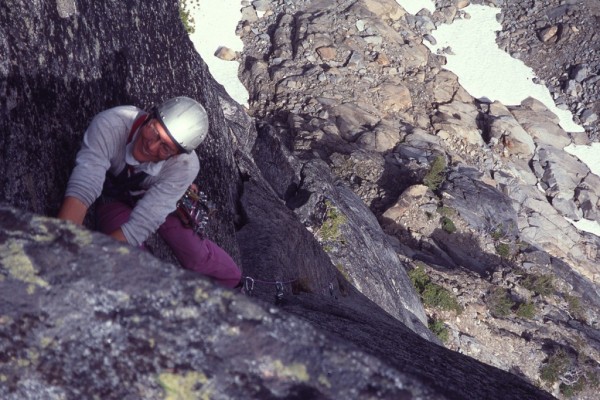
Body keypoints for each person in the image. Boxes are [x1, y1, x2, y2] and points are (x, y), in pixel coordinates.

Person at [58, 96, 241, 288]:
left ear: (176, 155)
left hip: (157, 201)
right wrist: (60, 247)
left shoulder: (184, 166)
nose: (151, 146)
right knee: (131, 263)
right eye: (154, 131)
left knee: (197, 255)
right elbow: (84, 187)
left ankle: (233, 291)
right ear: (148, 116)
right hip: (113, 199)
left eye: (165, 148)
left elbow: (144, 223)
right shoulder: (110, 125)